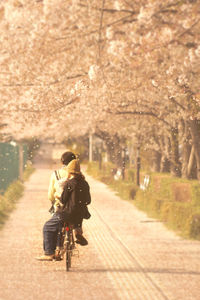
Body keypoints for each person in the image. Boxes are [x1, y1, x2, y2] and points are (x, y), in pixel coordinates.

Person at [36, 151, 90, 261]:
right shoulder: (84, 182)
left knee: (49, 226)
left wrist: (55, 198)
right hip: (80, 213)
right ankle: (77, 230)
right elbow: (87, 200)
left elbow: (60, 198)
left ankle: (49, 253)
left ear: (63, 162)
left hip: (64, 210)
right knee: (76, 214)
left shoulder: (61, 177)